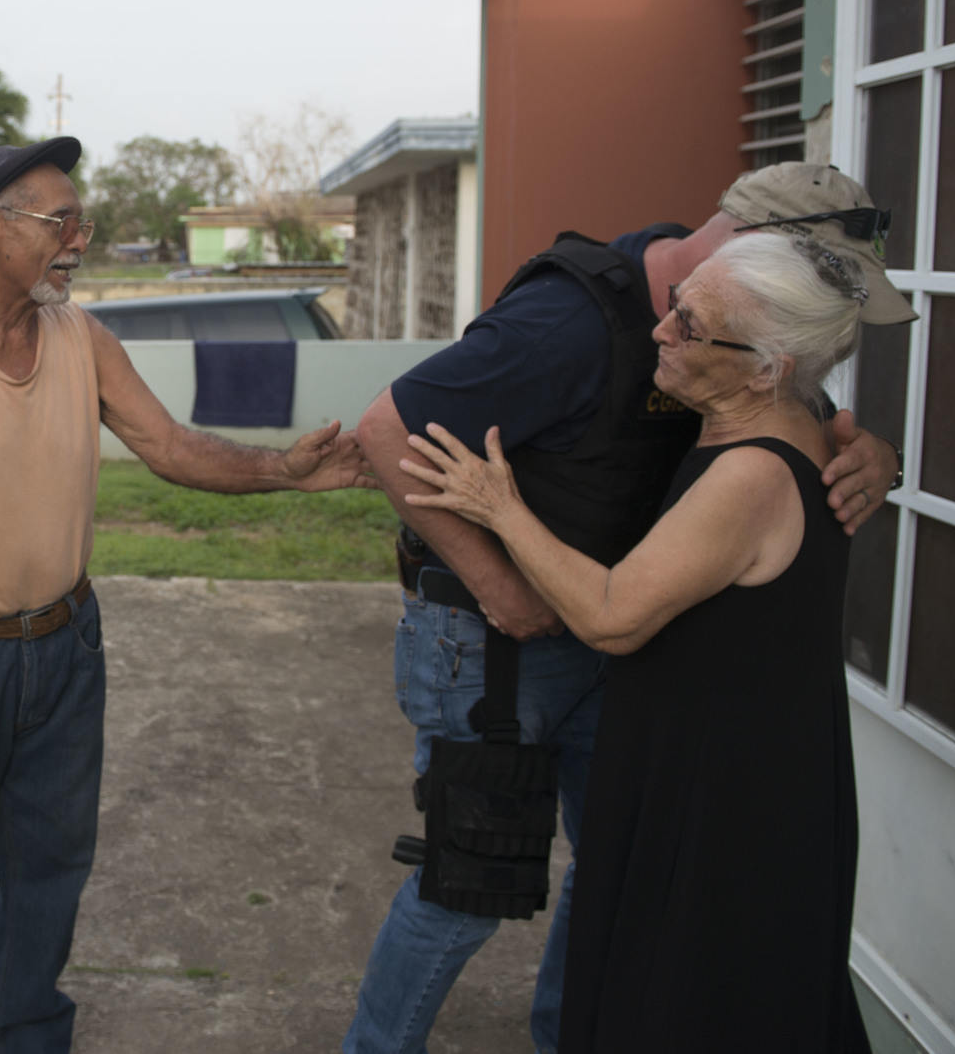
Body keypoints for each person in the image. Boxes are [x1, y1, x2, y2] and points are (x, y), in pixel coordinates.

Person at [0, 136, 370, 1054]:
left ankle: (29, 1032)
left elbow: (168, 445)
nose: (80, 236)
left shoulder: (83, 336)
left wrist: (281, 469)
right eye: (59, 219)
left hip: (68, 649)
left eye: (83, 218)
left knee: (51, 864)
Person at [345, 163, 909, 1054]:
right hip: (501, 638)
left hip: (630, 631)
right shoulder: (571, 322)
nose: (667, 332)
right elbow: (385, 428)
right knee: (469, 881)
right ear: (755, 257)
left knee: (614, 866)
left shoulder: (748, 335)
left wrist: (872, 451)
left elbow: (798, 416)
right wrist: (500, 586)